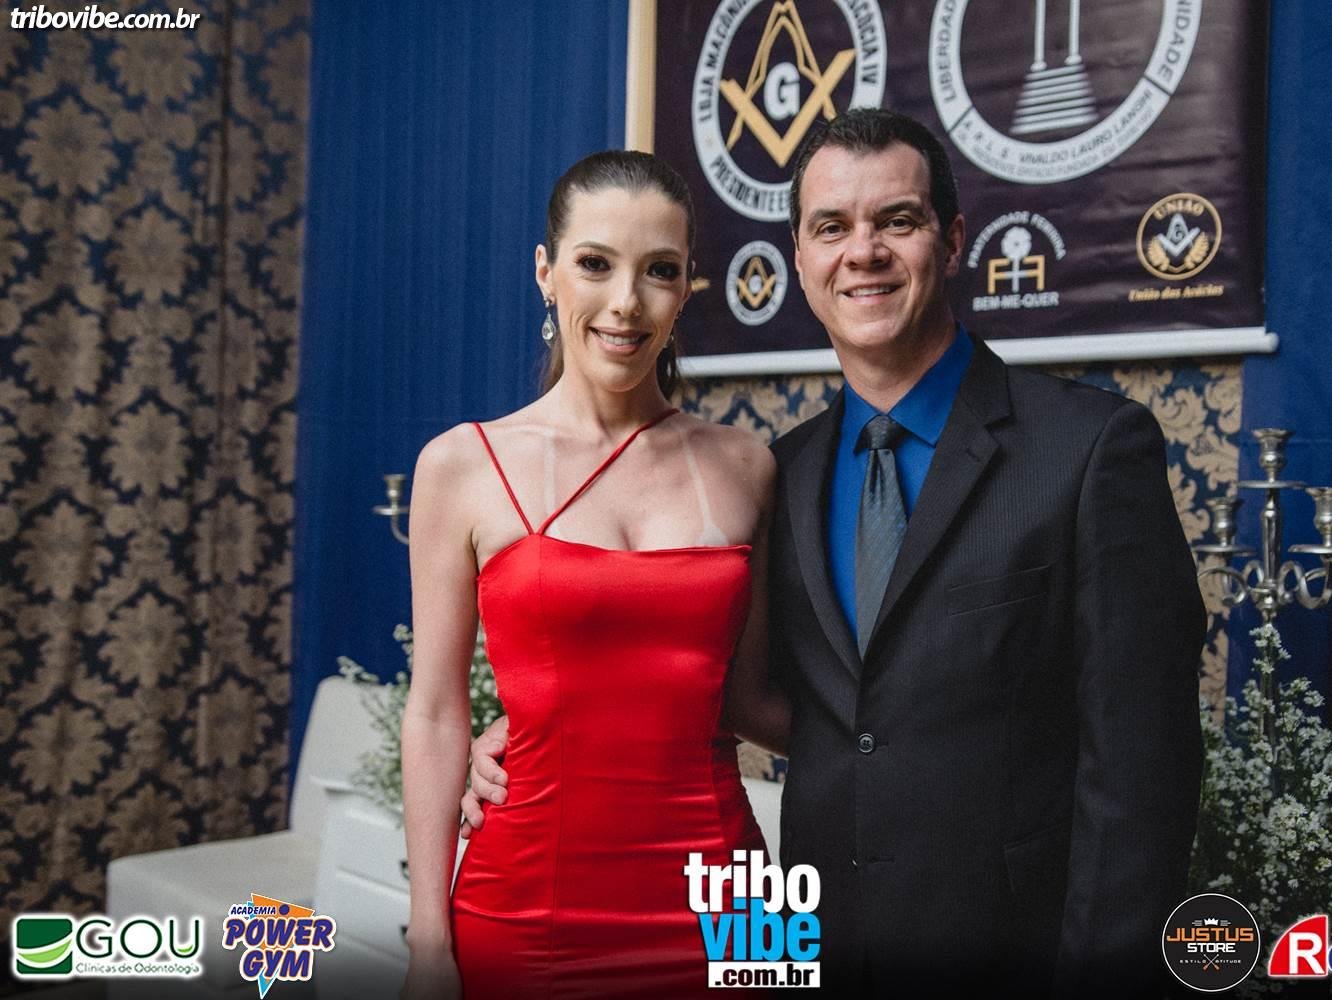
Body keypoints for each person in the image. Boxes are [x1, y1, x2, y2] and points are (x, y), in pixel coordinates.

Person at [464, 110, 1204, 997]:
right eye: (831, 227)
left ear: (952, 240)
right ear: (802, 260)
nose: (863, 252)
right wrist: (532, 732)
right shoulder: (780, 472)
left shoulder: (1088, 450)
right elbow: (739, 686)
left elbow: (1145, 770)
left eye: (897, 220)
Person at [400, 150, 788, 1000]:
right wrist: (428, 942)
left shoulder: (747, 465)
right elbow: (434, 713)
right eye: (595, 264)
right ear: (546, 274)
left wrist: (927, 747)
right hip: (526, 907)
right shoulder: (462, 466)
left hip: (729, 898)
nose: (626, 302)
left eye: (660, 271)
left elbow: (752, 701)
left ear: (687, 288)